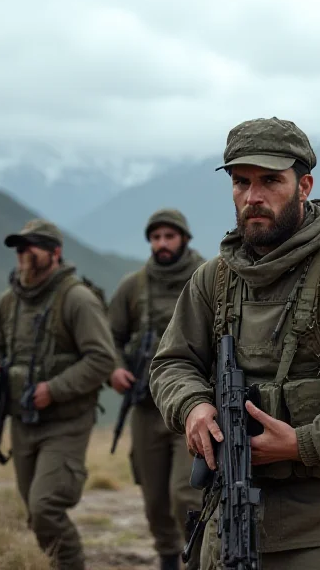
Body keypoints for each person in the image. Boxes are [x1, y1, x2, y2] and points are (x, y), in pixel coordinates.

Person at [148, 117, 320, 570]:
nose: (253, 197)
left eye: (270, 181)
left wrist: (302, 443)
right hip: (227, 522)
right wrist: (193, 406)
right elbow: (171, 362)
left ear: (304, 186)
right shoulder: (216, 278)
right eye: (241, 182)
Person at [0, 218, 116, 570]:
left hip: (66, 423)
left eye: (31, 247)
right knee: (35, 514)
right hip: (23, 422)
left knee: (45, 508)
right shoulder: (9, 301)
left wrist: (53, 390)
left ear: (55, 253)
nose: (23, 254)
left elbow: (102, 359)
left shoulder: (76, 298)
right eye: (19, 248)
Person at [107, 208, 207, 570]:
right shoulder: (133, 287)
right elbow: (110, 338)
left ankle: (197, 559)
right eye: (155, 237)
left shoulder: (205, 277)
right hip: (147, 408)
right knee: (153, 500)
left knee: (186, 493)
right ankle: (168, 560)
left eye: (169, 236)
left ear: (184, 238)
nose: (162, 244)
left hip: (190, 407)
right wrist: (115, 370)